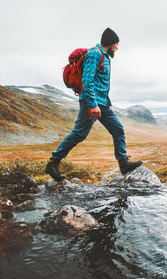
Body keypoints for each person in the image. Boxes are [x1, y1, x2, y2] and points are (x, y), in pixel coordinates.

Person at [45, 28, 142, 181]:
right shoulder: (95, 54)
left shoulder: (105, 57)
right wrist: (92, 104)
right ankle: (53, 162)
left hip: (103, 103)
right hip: (92, 103)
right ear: (110, 43)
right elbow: (87, 80)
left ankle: (123, 163)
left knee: (118, 129)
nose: (117, 47)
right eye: (117, 43)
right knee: (79, 134)